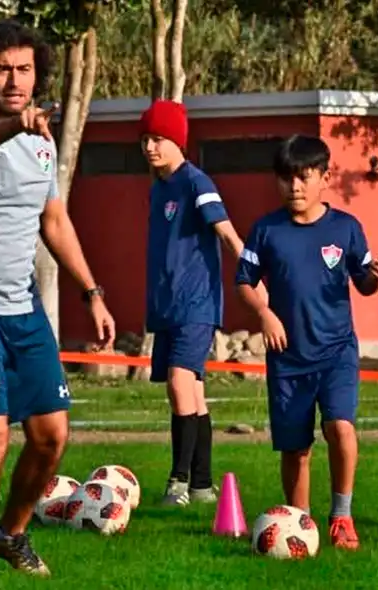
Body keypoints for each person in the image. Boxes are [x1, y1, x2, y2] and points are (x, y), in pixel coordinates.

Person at [0, 20, 116, 581]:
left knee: (53, 436)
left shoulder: (41, 140)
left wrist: (93, 292)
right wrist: (12, 126)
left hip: (21, 307)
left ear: (38, 75)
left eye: (25, 69)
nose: (14, 78)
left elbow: (53, 221)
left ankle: (11, 532)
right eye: (3, 67)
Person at [236, 134, 378, 551]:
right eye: (286, 179)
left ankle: (341, 516)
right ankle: (300, 524)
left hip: (336, 352)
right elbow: (244, 283)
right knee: (296, 448)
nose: (294, 188)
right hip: (288, 359)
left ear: (325, 177)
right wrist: (265, 313)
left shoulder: (346, 228)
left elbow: (365, 284)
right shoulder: (267, 230)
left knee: (341, 427)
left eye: (303, 178)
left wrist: (375, 277)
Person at [139, 99, 264, 507]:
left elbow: (227, 234)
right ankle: (202, 485)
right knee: (191, 391)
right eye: (145, 140)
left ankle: (177, 482)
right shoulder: (159, 188)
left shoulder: (197, 183)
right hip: (167, 306)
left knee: (179, 383)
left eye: (158, 139)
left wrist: (252, 277)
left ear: (178, 141)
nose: (150, 147)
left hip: (197, 303)